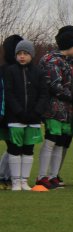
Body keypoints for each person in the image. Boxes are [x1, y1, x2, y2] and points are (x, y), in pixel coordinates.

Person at [36, 26, 73, 189]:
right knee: (51, 140)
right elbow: (55, 86)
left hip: (66, 110)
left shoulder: (67, 61)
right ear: (69, 46)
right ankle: (42, 176)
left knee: (61, 143)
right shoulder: (52, 60)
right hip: (53, 109)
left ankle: (53, 176)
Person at [3, 39, 44, 191]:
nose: (22, 56)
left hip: (33, 120)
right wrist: (19, 112)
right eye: (19, 53)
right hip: (15, 119)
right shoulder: (10, 71)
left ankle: (24, 181)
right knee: (14, 149)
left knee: (28, 150)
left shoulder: (38, 72)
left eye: (25, 53)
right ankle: (15, 181)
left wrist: (37, 112)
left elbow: (43, 94)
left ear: (31, 55)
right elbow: (9, 93)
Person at [0, 34, 25, 189]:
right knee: (13, 146)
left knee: (16, 146)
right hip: (6, 115)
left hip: (19, 114)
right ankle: (4, 175)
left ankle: (5, 175)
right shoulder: (4, 71)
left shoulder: (24, 70)